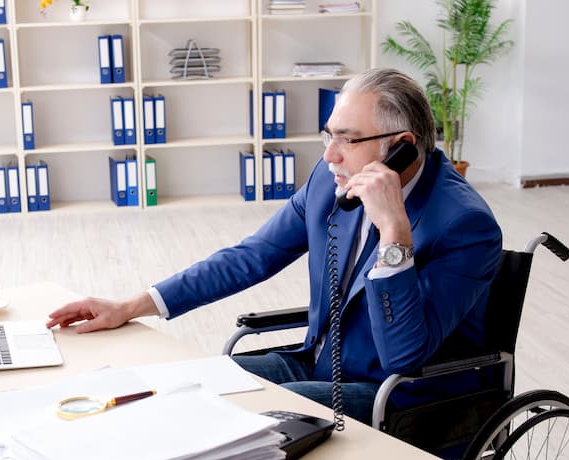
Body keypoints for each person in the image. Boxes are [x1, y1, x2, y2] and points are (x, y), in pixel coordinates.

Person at [47, 68, 502, 425]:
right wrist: (129, 306)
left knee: (241, 420)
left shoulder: (465, 224)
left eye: (348, 139)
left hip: (398, 393)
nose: (330, 156)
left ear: (401, 147)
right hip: (318, 364)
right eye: (330, 134)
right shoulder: (330, 182)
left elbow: (404, 356)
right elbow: (251, 257)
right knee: (186, 388)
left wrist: (394, 235)